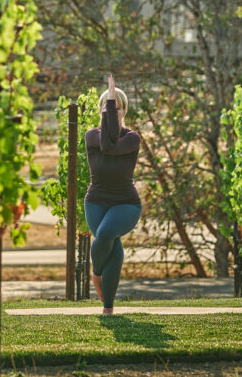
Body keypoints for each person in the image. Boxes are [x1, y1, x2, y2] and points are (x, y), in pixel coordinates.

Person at [83, 73, 142, 315]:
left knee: (107, 233)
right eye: (109, 107)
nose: (113, 112)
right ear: (101, 112)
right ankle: (108, 308)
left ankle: (96, 273)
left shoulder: (132, 138)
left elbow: (112, 145)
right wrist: (108, 103)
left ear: (124, 112)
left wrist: (110, 98)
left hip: (126, 204)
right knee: (114, 249)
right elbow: (106, 141)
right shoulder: (91, 135)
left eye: (117, 108)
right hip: (96, 202)